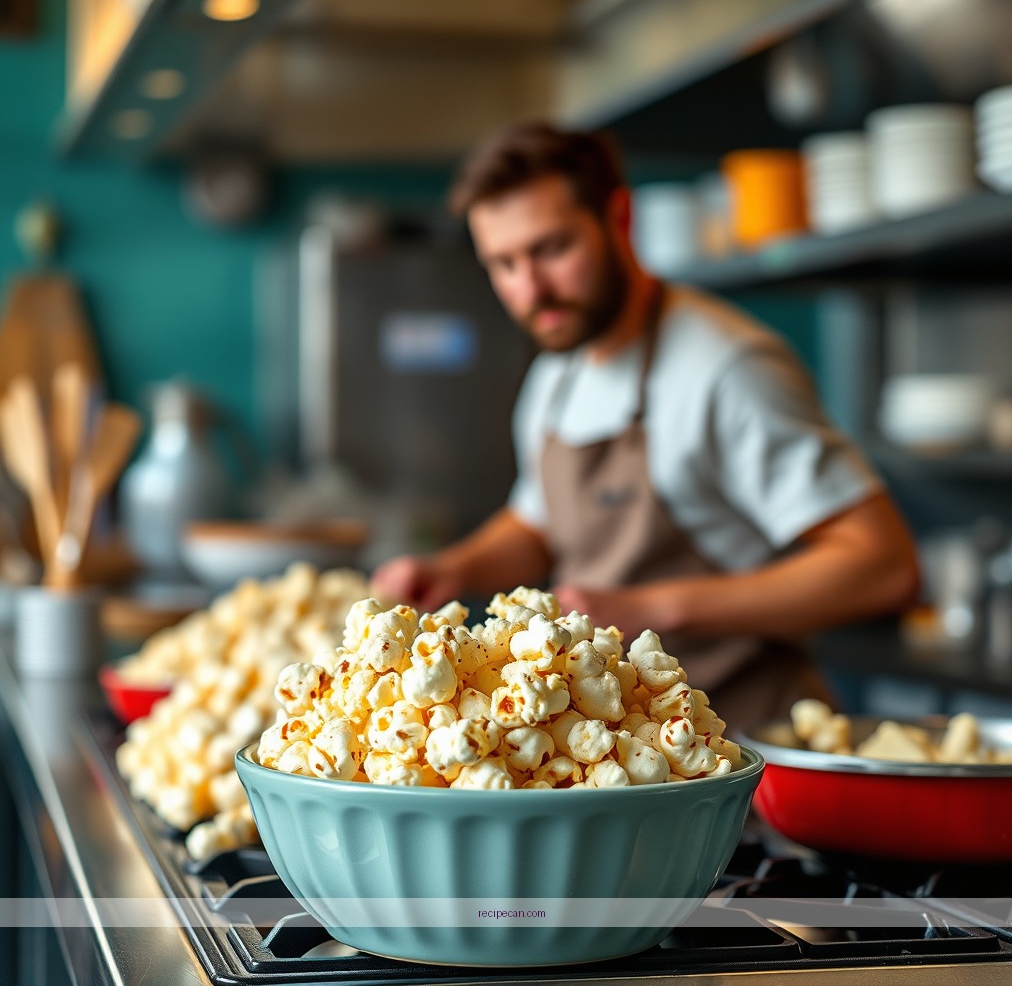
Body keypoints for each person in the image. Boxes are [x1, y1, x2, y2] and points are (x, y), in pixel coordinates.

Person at [371, 120, 920, 731]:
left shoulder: (726, 369)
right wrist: (454, 570)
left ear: (620, 218)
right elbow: (539, 524)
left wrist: (654, 608)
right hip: (621, 759)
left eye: (552, 249)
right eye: (503, 264)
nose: (532, 290)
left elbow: (882, 565)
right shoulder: (558, 376)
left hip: (740, 748)